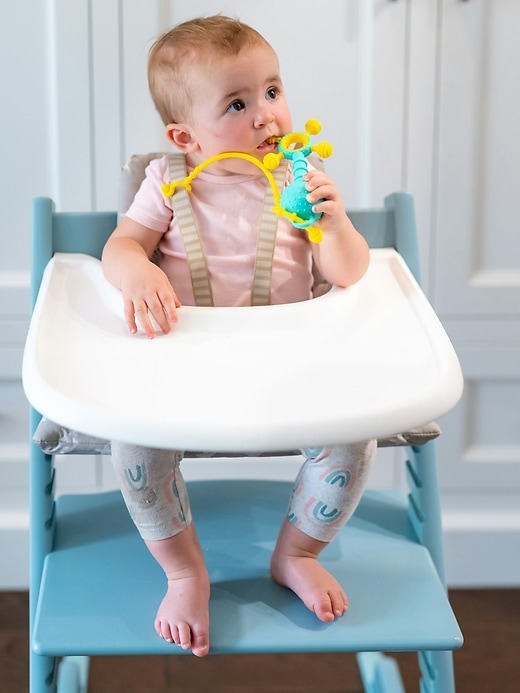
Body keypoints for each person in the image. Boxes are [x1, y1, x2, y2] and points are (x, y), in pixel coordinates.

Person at [102, 15, 376, 658]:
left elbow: (350, 274)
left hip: (289, 366)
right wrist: (137, 270)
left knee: (352, 441)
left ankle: (297, 554)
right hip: (185, 369)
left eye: (272, 91)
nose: (266, 115)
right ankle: (184, 572)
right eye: (237, 103)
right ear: (185, 136)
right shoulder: (167, 181)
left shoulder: (296, 179)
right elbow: (120, 247)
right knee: (133, 448)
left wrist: (335, 225)